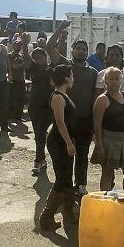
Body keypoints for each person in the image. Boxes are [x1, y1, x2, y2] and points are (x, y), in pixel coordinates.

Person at [47, 21, 98, 196]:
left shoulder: (93, 72)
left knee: (82, 155)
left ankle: (81, 185)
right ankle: (64, 186)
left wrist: (93, 121)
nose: (81, 51)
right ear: (72, 51)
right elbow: (49, 46)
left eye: (84, 49)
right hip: (67, 120)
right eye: (78, 48)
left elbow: (94, 97)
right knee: (67, 155)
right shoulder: (64, 65)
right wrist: (60, 29)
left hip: (85, 120)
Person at [92, 68, 124, 212]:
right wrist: (99, 145)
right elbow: (97, 125)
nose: (114, 82)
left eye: (117, 79)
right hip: (109, 140)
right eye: (111, 79)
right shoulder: (102, 100)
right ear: (105, 81)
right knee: (108, 173)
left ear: (122, 80)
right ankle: (105, 204)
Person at [38, 65, 78, 230]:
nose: (73, 79)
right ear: (67, 78)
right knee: (62, 179)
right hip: (59, 141)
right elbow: (60, 123)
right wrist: (69, 142)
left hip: (64, 140)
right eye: (72, 76)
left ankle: (69, 213)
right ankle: (46, 216)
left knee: (68, 178)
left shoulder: (63, 95)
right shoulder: (58, 97)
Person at [25, 46, 52, 175]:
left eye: (40, 57)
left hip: (49, 106)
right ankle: (40, 159)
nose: (38, 60)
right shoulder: (33, 68)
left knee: (43, 133)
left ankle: (39, 160)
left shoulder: (52, 69)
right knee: (38, 134)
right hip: (35, 105)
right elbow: (26, 59)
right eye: (35, 58)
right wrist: (25, 45)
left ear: (45, 57)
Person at [8, 38, 27, 121]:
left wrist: (22, 64)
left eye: (20, 44)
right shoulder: (10, 55)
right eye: (17, 44)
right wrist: (23, 64)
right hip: (13, 79)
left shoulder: (22, 55)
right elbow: (13, 66)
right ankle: (11, 116)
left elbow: (26, 66)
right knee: (12, 99)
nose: (18, 46)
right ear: (13, 45)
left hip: (21, 80)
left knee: (21, 99)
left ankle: (18, 116)